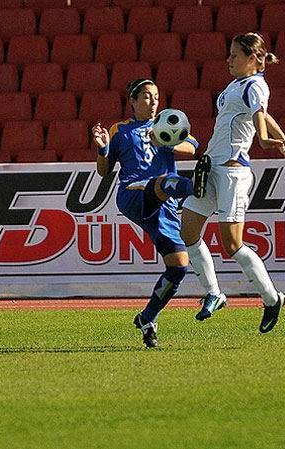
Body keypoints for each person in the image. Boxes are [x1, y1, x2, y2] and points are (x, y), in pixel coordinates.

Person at [180, 32, 285, 333]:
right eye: (229, 54)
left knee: (232, 244)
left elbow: (260, 115)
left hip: (232, 172)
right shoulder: (237, 85)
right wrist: (281, 136)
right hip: (211, 167)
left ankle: (272, 299)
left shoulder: (256, 84)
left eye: (234, 55)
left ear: (252, 58)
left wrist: (267, 140)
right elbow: (263, 115)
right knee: (188, 230)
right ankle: (214, 293)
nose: (228, 59)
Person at [92, 79, 200, 348]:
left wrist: (167, 142)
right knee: (161, 183)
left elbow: (192, 147)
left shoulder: (166, 124)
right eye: (147, 97)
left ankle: (147, 319)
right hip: (133, 193)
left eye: (156, 97)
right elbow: (104, 170)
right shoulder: (121, 130)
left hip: (163, 205)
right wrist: (102, 149)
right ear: (133, 100)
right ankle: (196, 187)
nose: (153, 102)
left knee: (179, 266)